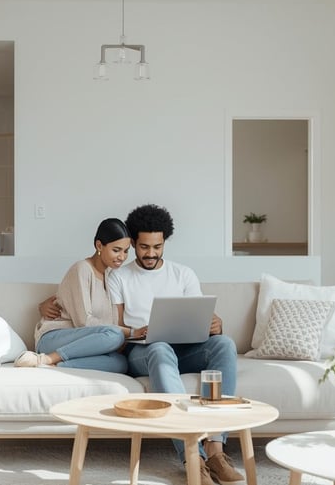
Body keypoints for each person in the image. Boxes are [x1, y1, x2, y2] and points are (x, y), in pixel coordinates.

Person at [106, 204, 243, 485]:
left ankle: (216, 450)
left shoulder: (183, 274)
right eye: (144, 247)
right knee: (160, 347)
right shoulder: (119, 276)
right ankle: (193, 456)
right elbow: (115, 330)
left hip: (183, 349)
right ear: (133, 244)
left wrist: (214, 325)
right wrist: (138, 332)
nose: (151, 253)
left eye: (157, 247)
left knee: (224, 344)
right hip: (143, 351)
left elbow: (200, 316)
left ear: (165, 242)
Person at [15, 218, 139, 372]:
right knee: (116, 335)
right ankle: (47, 358)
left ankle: (54, 364)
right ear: (99, 245)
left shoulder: (112, 276)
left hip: (83, 344)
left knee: (120, 363)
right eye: (116, 250)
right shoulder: (82, 269)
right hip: (53, 338)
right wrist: (130, 332)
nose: (122, 257)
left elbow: (109, 323)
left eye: (126, 251)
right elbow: (84, 322)